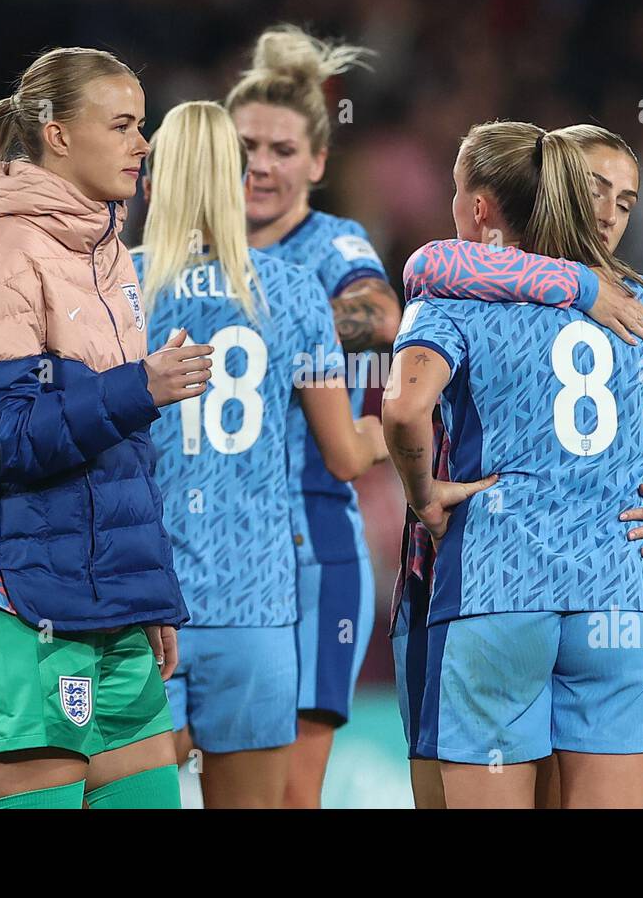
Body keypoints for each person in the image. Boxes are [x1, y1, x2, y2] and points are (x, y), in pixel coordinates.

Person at [0, 47, 213, 809]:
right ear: (56, 134)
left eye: (141, 125)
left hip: (106, 603)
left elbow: (119, 459)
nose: (142, 144)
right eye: (121, 125)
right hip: (18, 602)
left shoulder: (108, 256)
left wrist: (143, 594)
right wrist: (137, 388)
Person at [394, 123, 643, 808]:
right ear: (554, 192)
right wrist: (577, 283)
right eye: (595, 191)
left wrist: (424, 492)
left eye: (627, 201)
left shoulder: (464, 295)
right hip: (620, 598)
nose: (609, 213)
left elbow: (424, 281)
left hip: (491, 585)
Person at [133, 101, 388, 807]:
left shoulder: (118, 287)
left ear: (153, 182)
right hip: (256, 606)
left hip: (144, 604)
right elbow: (341, 455)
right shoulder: (290, 288)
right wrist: (387, 433)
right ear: (235, 180)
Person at [226, 24, 402, 806]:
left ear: (319, 163)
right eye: (245, 147)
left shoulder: (335, 246)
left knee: (293, 795)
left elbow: (381, 316)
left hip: (309, 552)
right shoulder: (183, 249)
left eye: (283, 149)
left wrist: (273, 320)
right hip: (200, 548)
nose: (261, 164)